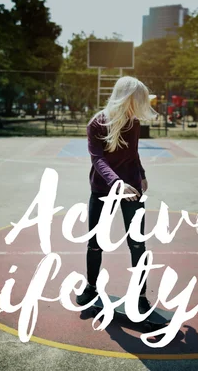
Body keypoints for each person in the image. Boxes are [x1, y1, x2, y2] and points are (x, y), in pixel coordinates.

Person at [76, 76, 158, 314]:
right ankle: (91, 287)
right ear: (125, 98)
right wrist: (116, 183)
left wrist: (140, 173)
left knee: (137, 243)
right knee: (95, 243)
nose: (139, 106)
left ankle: (140, 296)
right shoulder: (97, 123)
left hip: (131, 189)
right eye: (137, 100)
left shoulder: (133, 124)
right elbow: (98, 159)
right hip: (103, 189)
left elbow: (133, 153)